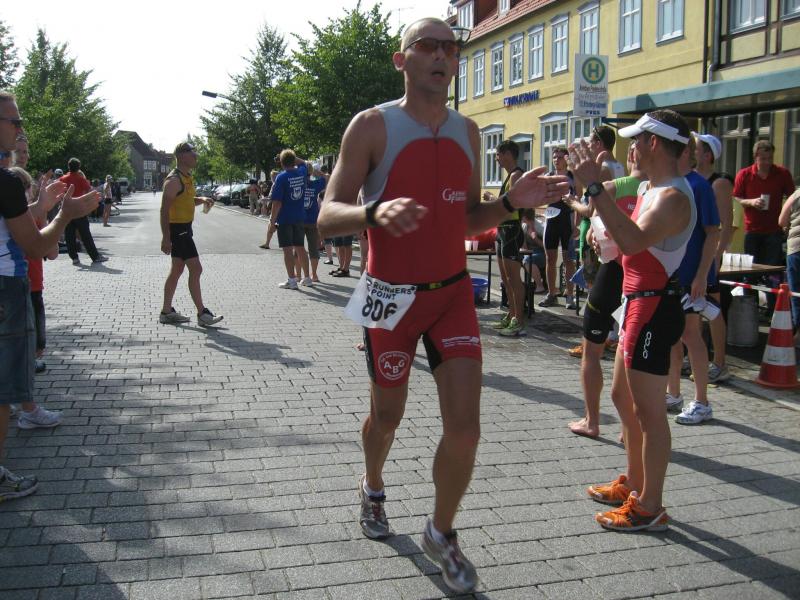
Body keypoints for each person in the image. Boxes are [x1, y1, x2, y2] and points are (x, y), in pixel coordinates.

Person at [316, 18, 568, 592]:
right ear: (401, 59)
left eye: (450, 49)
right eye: (427, 46)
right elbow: (328, 216)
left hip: (452, 295)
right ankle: (372, 485)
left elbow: (468, 220)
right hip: (389, 297)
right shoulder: (371, 125)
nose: (441, 56)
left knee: (466, 429)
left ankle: (441, 531)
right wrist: (372, 213)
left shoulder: (468, 131)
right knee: (387, 416)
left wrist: (510, 202)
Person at [569, 109, 696, 532]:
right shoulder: (650, 187)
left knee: (649, 412)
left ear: (654, 143)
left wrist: (593, 187)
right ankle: (636, 483)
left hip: (653, 310)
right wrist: (599, 229)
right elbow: (622, 237)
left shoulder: (672, 197)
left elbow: (632, 240)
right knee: (623, 398)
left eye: (637, 140)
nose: (632, 148)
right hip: (637, 306)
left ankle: (650, 506)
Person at [0, 90, 100, 499]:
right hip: (6, 288)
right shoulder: (6, 181)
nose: (20, 129)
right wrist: (65, 215)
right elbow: (37, 245)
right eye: (14, 121)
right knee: (4, 393)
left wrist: (40, 205)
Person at [567, 145, 643, 439]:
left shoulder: (611, 188)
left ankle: (592, 421)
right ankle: (629, 428)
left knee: (592, 352)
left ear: (631, 156)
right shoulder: (662, 191)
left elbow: (592, 232)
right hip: (642, 281)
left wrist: (595, 239)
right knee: (632, 356)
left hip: (612, 275)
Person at [665, 135, 720, 426]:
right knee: (673, 335)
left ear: (685, 152)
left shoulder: (699, 186)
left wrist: (701, 275)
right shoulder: (673, 183)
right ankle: (673, 393)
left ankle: (701, 401)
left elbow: (713, 233)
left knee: (690, 335)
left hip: (690, 276)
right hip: (671, 275)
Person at [159, 142, 223, 327]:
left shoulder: (186, 177)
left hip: (185, 229)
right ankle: (202, 313)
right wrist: (165, 238)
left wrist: (201, 199)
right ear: (181, 156)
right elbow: (164, 210)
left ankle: (166, 312)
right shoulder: (173, 180)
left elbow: (185, 200)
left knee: (177, 270)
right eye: (191, 152)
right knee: (196, 269)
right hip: (179, 231)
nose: (196, 155)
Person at [693, 132, 733, 382]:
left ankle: (720, 362)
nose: (692, 151)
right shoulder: (692, 178)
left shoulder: (719, 183)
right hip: (694, 253)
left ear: (707, 155)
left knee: (713, 309)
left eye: (696, 148)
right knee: (695, 308)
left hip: (708, 255)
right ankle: (697, 357)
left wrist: (716, 257)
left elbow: (726, 225)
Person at [733, 140, 795, 302]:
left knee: (772, 273)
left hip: (774, 231)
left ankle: (773, 307)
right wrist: (751, 202)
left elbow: (793, 197)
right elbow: (736, 198)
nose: (767, 162)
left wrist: (787, 220)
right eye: (763, 159)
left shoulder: (782, 174)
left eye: (770, 158)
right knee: (750, 273)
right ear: (755, 157)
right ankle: (750, 306)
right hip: (752, 230)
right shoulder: (745, 174)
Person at [482, 140, 525, 336]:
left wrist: (493, 200)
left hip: (511, 230)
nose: (496, 159)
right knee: (506, 279)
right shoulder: (509, 175)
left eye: (498, 155)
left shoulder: (516, 175)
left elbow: (513, 205)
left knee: (514, 279)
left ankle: (519, 320)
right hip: (502, 230)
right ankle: (511, 314)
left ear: (508, 154)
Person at [538, 146, 579, 310]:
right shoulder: (548, 177)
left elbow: (578, 201)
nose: (556, 160)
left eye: (560, 157)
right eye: (554, 157)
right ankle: (551, 294)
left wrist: (577, 225)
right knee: (550, 258)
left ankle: (570, 295)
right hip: (551, 219)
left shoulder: (573, 178)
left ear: (567, 159)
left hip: (567, 219)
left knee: (568, 260)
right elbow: (541, 197)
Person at [270, 150, 311, 290]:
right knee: (300, 247)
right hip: (299, 216)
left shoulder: (281, 178)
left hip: (285, 218)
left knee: (287, 250)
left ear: (281, 163)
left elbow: (277, 203)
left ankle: (292, 280)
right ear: (294, 161)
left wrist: (272, 222)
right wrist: (293, 157)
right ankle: (307, 278)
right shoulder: (301, 172)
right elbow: (304, 163)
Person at [60, 158, 107, 265]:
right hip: (79, 210)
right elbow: (90, 192)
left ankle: (74, 258)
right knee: (86, 234)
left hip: (67, 210)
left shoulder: (62, 179)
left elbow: (60, 193)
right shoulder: (81, 179)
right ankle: (95, 256)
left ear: (68, 166)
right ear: (78, 167)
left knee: (69, 235)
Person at [779, 189, 800, 346]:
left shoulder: (796, 195)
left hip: (796, 248)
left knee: (796, 293)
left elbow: (782, 221)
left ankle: (798, 333)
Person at [301, 167, 327, 284]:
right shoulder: (314, 184)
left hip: (300, 220)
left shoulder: (297, 184)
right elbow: (326, 178)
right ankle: (314, 274)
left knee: (298, 248)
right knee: (313, 248)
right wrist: (316, 171)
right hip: (312, 220)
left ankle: (298, 274)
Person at [259, 169, 279, 249]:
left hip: (276, 208)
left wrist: (266, 199)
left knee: (272, 225)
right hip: (275, 207)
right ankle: (267, 243)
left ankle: (267, 244)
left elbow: (275, 197)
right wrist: (266, 199)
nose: (272, 178)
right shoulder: (274, 184)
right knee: (271, 226)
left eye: (274, 176)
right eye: (272, 176)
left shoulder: (276, 185)